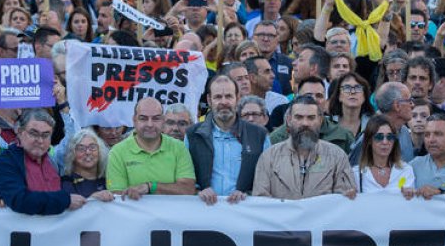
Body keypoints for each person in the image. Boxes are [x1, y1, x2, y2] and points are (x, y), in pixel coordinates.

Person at [252, 96, 356, 199]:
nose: (305, 123)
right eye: (299, 117)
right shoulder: (269, 157)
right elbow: (261, 202)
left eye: (311, 117)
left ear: (320, 120)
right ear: (288, 120)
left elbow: (344, 202)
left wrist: (348, 195)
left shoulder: (337, 156)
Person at [186, 75, 269, 204]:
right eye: (218, 97)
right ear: (209, 100)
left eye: (229, 96)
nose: (224, 102)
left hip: (245, 213)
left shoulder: (259, 135)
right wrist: (198, 191)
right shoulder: (192, 135)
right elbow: (186, 177)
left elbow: (267, 179)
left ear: (238, 98)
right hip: (204, 212)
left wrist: (247, 193)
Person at [0, 110, 86, 214]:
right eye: (34, 133)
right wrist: (65, 200)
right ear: (19, 132)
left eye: (46, 135)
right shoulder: (6, 162)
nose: (40, 140)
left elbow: (68, 192)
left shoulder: (52, 161)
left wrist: (92, 200)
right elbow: (20, 200)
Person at [107, 98, 197, 199]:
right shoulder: (117, 152)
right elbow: (117, 197)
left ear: (163, 121)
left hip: (172, 214)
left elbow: (188, 189)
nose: (150, 124)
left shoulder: (179, 148)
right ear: (134, 120)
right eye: (143, 118)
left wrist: (150, 187)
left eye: (156, 118)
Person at [351, 114, 416, 194]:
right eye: (379, 137)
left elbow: (407, 199)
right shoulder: (356, 174)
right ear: (369, 141)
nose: (385, 142)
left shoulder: (405, 171)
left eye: (390, 137)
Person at [60, 129, 114, 201]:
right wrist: (91, 199)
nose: (88, 152)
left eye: (92, 147)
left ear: (100, 151)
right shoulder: (66, 183)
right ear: (72, 154)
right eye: (81, 149)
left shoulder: (109, 178)